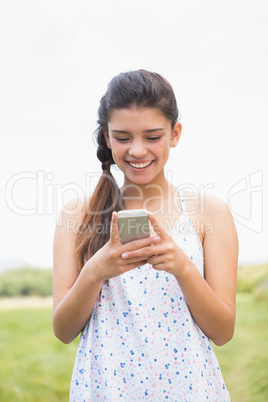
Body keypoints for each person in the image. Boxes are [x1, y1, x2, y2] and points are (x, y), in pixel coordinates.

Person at [53, 69, 238, 401]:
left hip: (190, 389)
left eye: (153, 136)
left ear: (175, 133)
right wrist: (97, 269)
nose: (137, 150)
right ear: (107, 138)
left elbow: (223, 332)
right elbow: (63, 330)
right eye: (123, 137)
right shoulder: (77, 214)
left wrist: (182, 266)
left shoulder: (209, 213)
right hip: (107, 390)